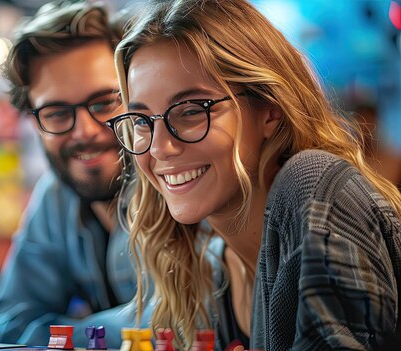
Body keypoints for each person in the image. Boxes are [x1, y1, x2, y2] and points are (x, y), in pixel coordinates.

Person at [105, 0, 401, 350]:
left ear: (270, 110)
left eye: (190, 111)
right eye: (141, 121)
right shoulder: (212, 271)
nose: (159, 148)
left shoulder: (314, 184)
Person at [0, 1, 146, 347]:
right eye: (56, 113)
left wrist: (56, 333)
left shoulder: (175, 180)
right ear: (34, 123)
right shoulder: (55, 194)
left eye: (103, 103)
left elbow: (177, 319)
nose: (84, 131)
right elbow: (2, 324)